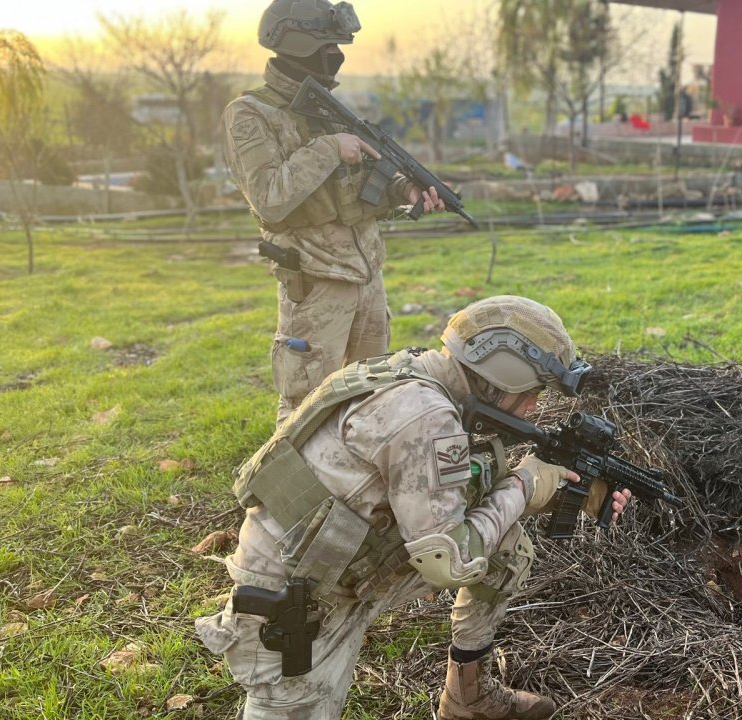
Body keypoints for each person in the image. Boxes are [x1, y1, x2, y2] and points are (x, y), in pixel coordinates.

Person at [195, 295, 633, 720]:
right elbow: (449, 562)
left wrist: (558, 493)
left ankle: (469, 698)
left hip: (340, 564)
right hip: (298, 611)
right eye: (534, 390)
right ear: (503, 373)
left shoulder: (412, 372)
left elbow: (445, 490)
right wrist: (525, 483)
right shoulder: (426, 416)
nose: (536, 406)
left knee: (506, 544)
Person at [224, 0, 447, 425]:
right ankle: (287, 492)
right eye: (327, 45)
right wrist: (329, 148)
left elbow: (358, 189)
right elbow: (269, 197)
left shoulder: (325, 107)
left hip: (367, 278)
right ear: (296, 44)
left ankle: (357, 485)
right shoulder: (250, 114)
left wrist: (406, 188)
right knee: (308, 407)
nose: (336, 55)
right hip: (316, 281)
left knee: (372, 395)